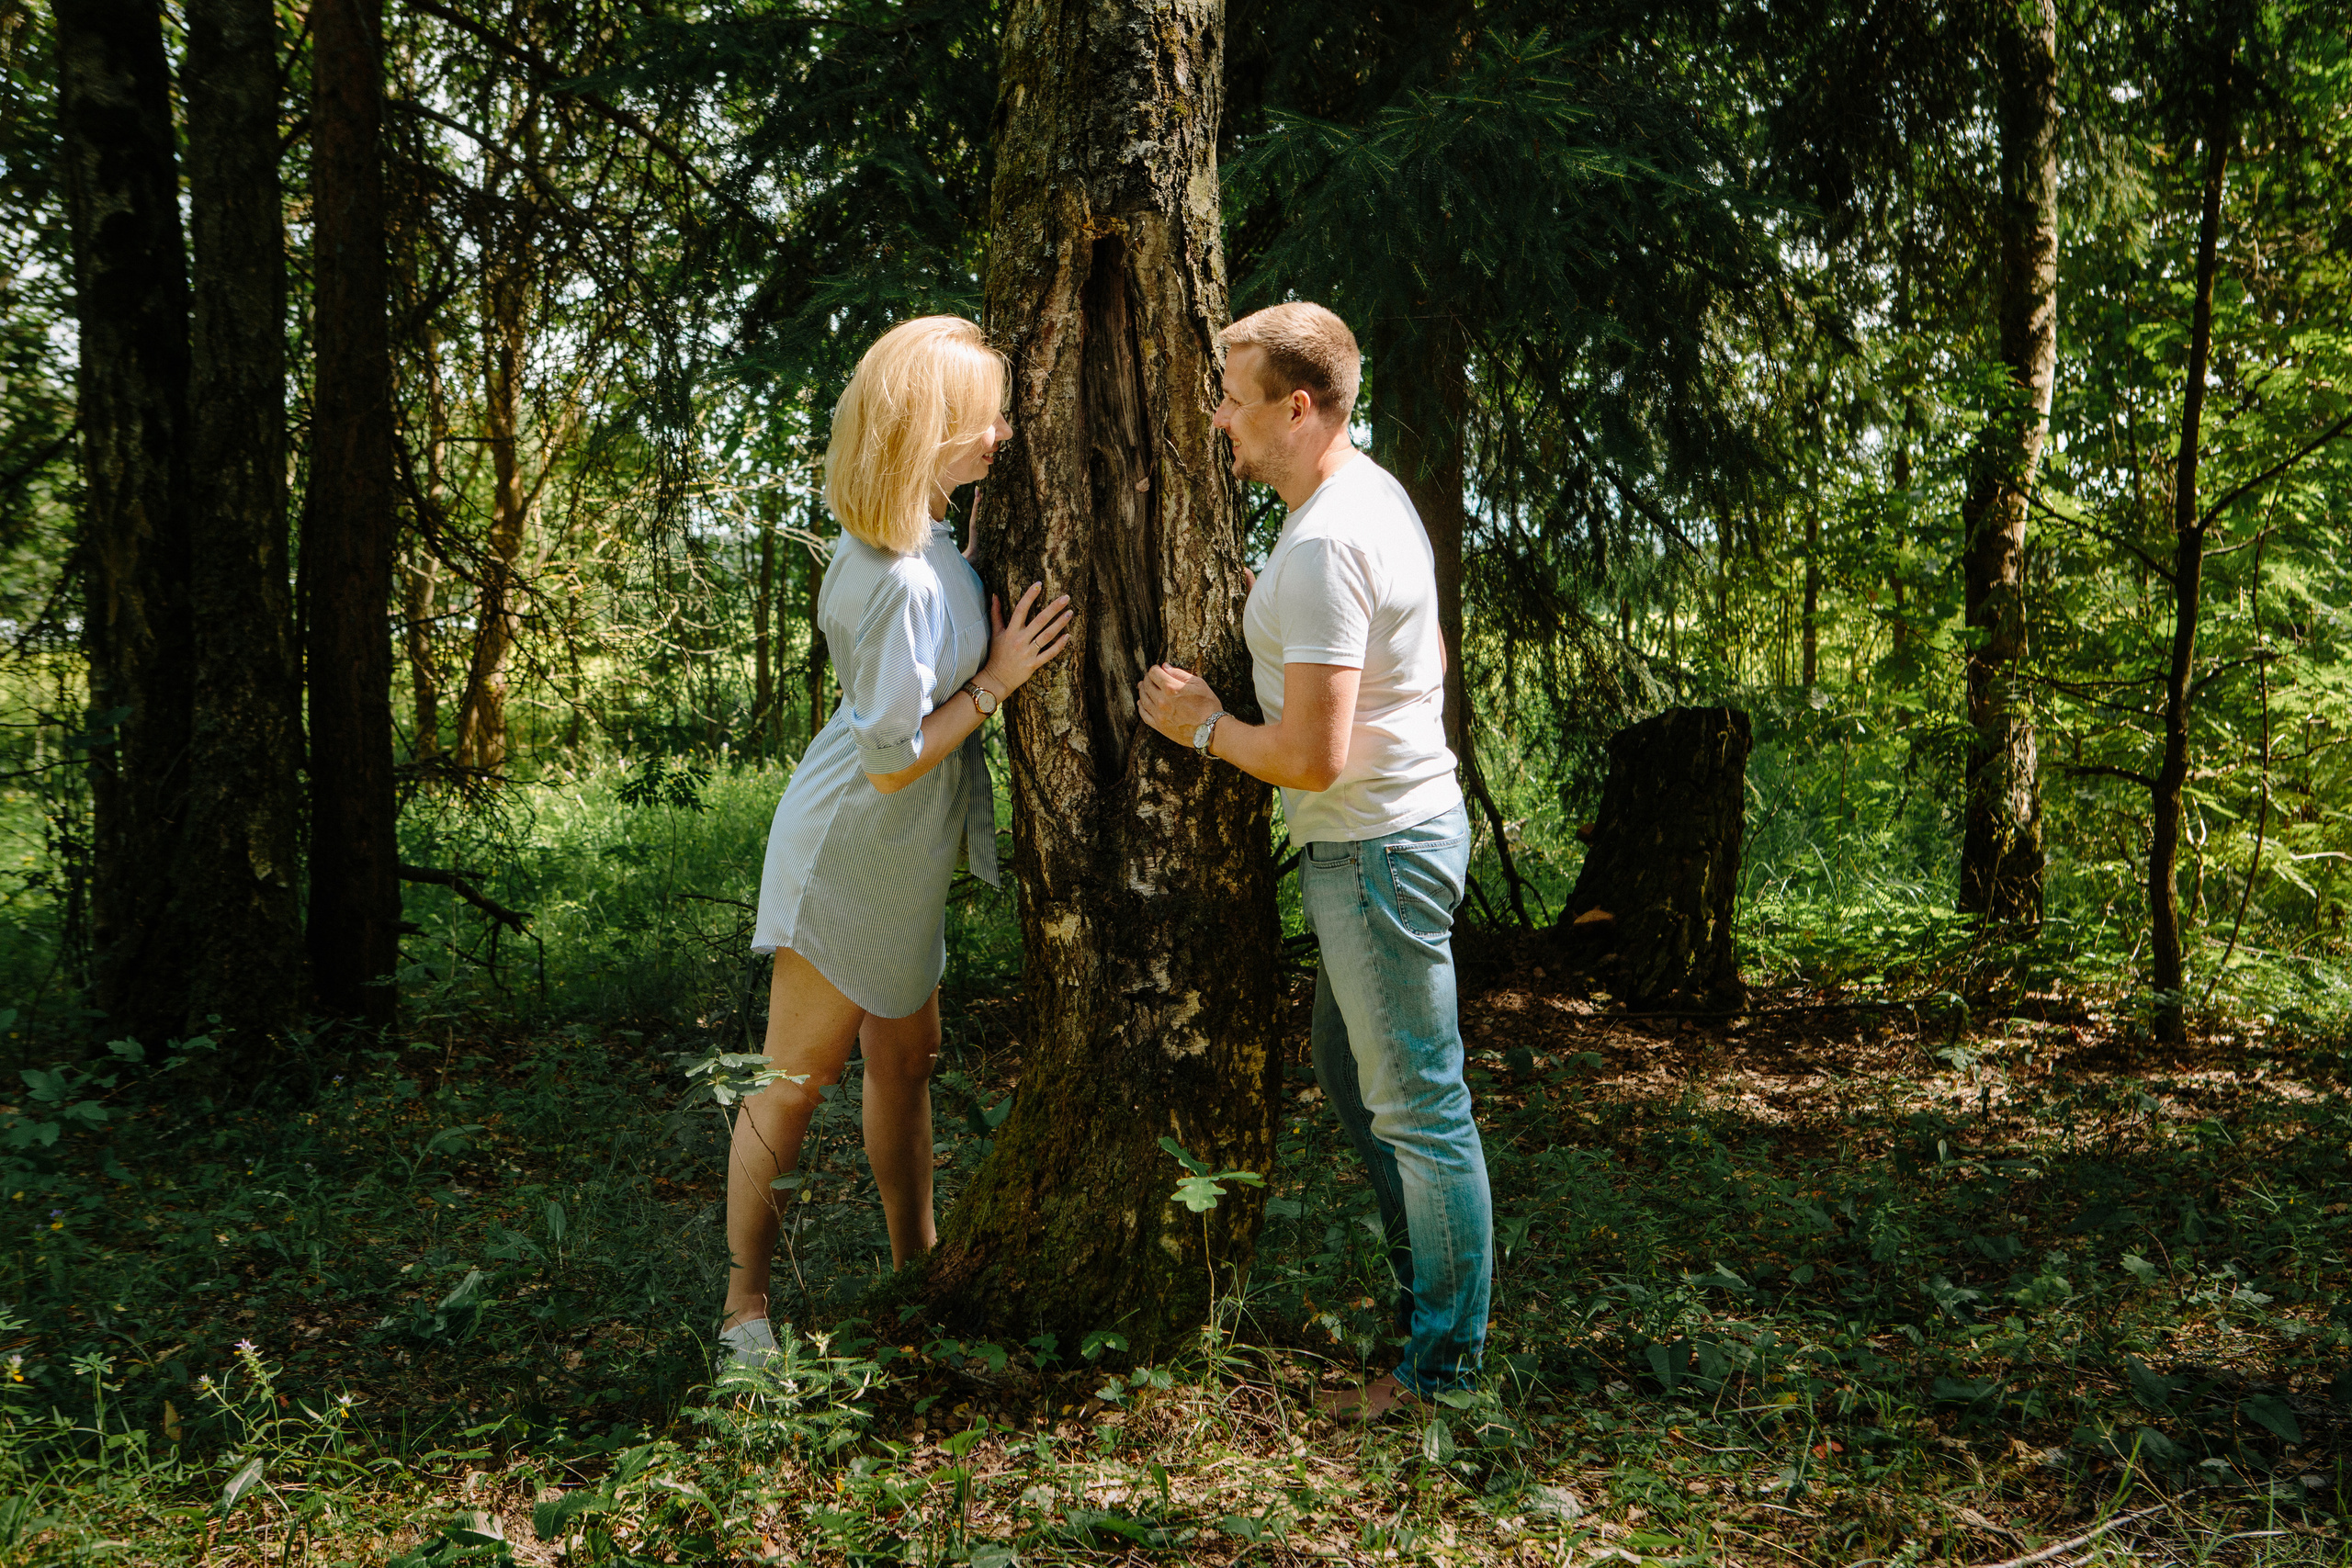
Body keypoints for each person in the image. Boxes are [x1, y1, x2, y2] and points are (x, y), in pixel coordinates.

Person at [1136, 301, 1490, 1419]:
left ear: (1298, 407)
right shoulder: (1363, 499)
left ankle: (1438, 1375)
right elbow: (1418, 648)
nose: (1217, 418)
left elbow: (1308, 756)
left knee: (1419, 1109)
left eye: (1232, 399)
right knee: (1352, 1076)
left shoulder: (1329, 541)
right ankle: (1424, 1318)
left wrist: (1201, 725)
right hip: (1390, 835)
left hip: (1375, 848)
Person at [719, 316, 1073, 1369]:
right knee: (794, 1081)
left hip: (901, 855)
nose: (1003, 434)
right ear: (928, 427)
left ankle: (914, 1272)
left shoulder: (925, 541)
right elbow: (888, 759)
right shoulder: (894, 575)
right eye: (984, 418)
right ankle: (742, 1315)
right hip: (852, 849)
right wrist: (997, 683)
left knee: (906, 1060)